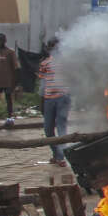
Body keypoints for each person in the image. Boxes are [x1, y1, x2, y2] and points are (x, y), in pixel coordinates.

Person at [37, 38, 69, 166]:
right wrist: (42, 102)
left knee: (61, 127)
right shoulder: (45, 63)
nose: (53, 49)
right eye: (51, 47)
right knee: (48, 129)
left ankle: (62, 157)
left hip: (63, 98)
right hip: (49, 99)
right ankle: (57, 154)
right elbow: (42, 84)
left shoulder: (67, 62)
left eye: (55, 47)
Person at [0, 33, 20, 125]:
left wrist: (15, 83)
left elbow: (16, 68)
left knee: (8, 99)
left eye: (1, 40)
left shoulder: (10, 52)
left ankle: (9, 118)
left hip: (8, 81)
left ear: (5, 40)